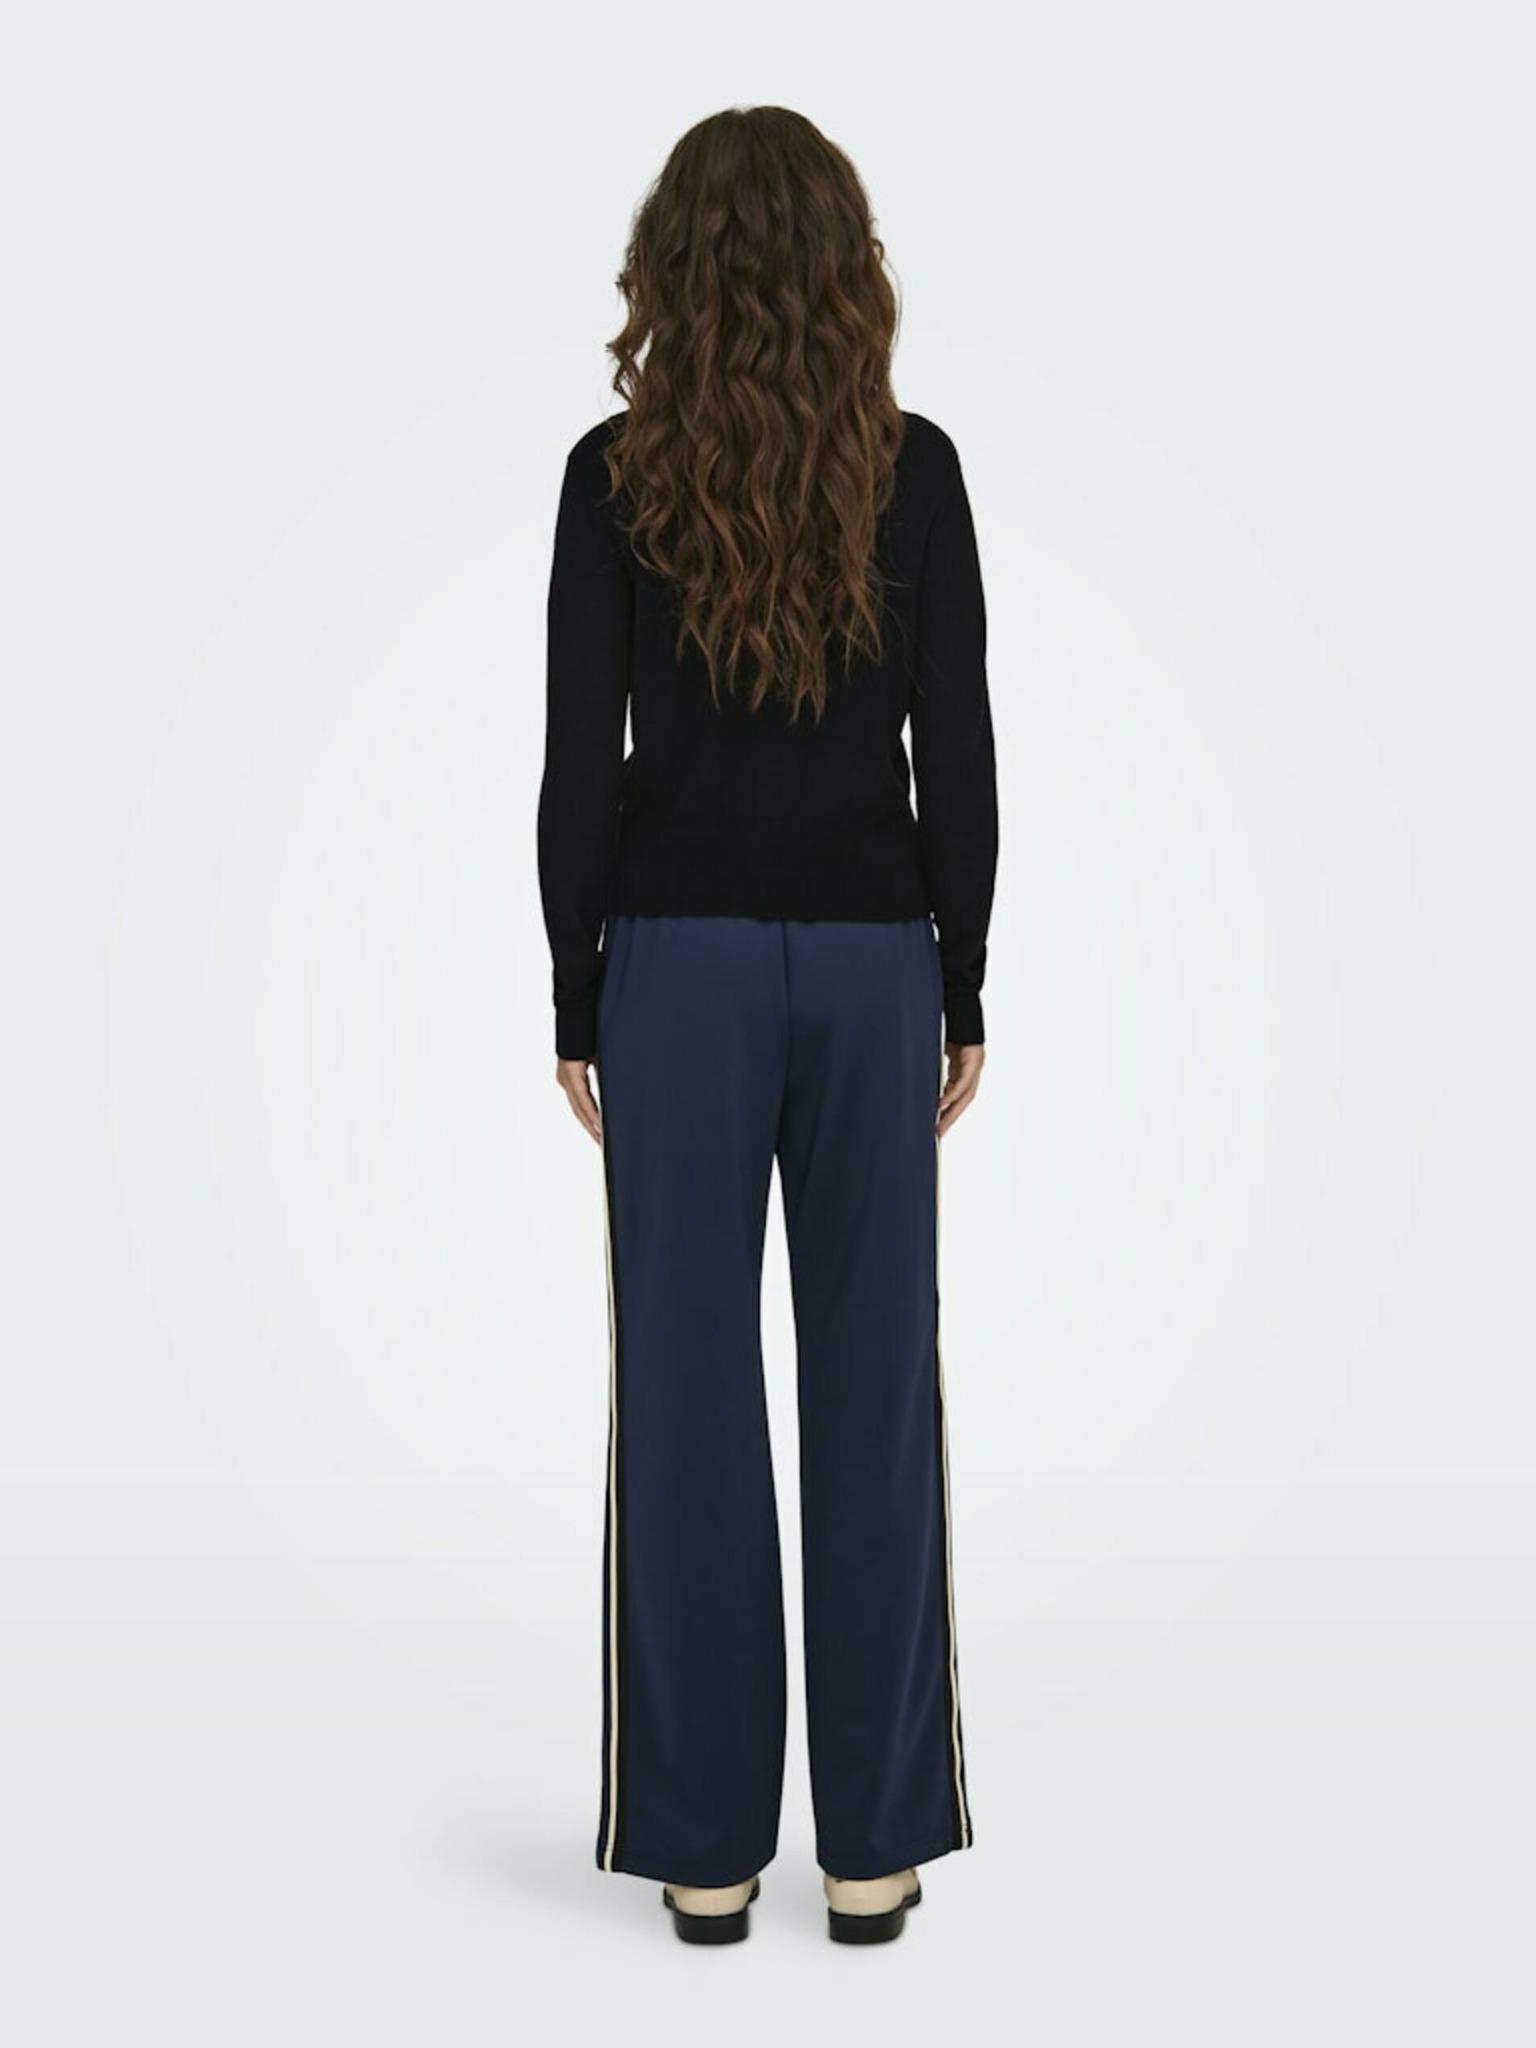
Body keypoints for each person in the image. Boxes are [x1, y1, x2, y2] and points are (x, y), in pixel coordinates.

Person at [536, 104, 998, 1947]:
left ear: (672, 267)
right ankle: (874, 1850)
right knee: (876, 1392)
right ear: (845, 270)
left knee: (687, 1392)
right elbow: (957, 747)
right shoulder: (917, 467)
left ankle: (707, 1849)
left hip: (678, 967)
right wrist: (963, 973)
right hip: (877, 959)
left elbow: (581, 760)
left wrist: (576, 988)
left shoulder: (612, 474)